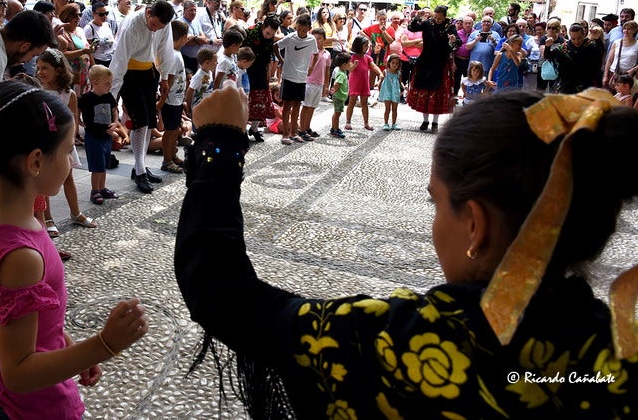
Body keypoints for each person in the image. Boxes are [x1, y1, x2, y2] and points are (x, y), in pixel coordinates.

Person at [175, 83, 638, 419]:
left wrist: (220, 144)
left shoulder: (411, 340)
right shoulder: (615, 353)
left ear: (475, 225)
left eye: (436, 202)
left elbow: (225, 296)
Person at [0, 81, 147, 419]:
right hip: (25, 409)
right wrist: (103, 345)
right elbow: (18, 372)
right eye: (66, 151)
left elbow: (22, 322)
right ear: (34, 162)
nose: (71, 161)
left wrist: (69, 347)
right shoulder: (20, 257)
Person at [110, 1, 176, 194]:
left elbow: (165, 49)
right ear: (148, 13)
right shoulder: (131, 25)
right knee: (139, 122)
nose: (156, 29)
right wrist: (113, 94)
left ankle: (141, 165)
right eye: (154, 25)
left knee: (149, 121)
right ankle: (139, 171)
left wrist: (164, 76)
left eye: (160, 27)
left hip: (149, 71)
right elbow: (119, 60)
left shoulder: (164, 24)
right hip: (129, 73)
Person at [34, 49, 98, 230]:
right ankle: (48, 217)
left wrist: (67, 142)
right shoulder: (37, 91)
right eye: (38, 68)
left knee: (68, 177)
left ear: (59, 70)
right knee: (42, 181)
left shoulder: (68, 95)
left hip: (62, 142)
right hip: (44, 143)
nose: (40, 72)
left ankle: (76, 212)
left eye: (45, 68)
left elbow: (72, 121)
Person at [407, 5, 459, 133]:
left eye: (440, 18)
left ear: (445, 16)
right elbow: (412, 28)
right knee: (424, 90)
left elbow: (458, 41)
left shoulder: (450, 26)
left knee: (437, 93)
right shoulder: (427, 23)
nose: (437, 20)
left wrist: (453, 40)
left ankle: (435, 123)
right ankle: (425, 121)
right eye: (435, 17)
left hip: (441, 63)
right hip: (425, 61)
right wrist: (417, 17)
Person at [274, 14, 318, 144]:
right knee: (286, 106)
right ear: (296, 27)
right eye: (299, 29)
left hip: (302, 77)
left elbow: (316, 54)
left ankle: (294, 132)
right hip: (288, 76)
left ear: (309, 28)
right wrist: (281, 60)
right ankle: (285, 134)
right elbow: (276, 46)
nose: (301, 32)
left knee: (297, 106)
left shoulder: (311, 40)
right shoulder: (290, 37)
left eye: (304, 30)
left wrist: (311, 67)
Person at [78, 65, 120, 202]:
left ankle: (102, 188)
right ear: (95, 83)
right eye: (107, 83)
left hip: (106, 136)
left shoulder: (109, 96)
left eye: (110, 82)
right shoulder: (86, 98)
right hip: (93, 136)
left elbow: (115, 110)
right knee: (97, 166)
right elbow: (76, 109)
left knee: (104, 164)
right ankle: (95, 190)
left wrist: (115, 123)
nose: (110, 86)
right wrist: (78, 121)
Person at [158, 21, 190, 174]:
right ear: (183, 38)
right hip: (170, 100)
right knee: (170, 131)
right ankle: (167, 160)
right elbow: (168, 80)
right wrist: (162, 100)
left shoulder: (176, 53)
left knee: (174, 129)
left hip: (176, 99)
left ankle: (172, 155)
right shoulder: (173, 55)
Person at [244, 15, 281, 142]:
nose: (269, 36)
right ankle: (243, 129)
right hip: (247, 69)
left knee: (261, 100)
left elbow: (269, 54)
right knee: (247, 99)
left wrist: (268, 72)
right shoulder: (250, 32)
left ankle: (254, 128)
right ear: (263, 27)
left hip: (261, 69)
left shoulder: (270, 37)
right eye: (267, 33)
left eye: (272, 34)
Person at [299, 28, 330, 139]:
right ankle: (302, 129)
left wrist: (326, 85)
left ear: (324, 40)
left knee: (312, 107)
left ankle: (307, 127)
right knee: (306, 106)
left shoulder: (327, 53)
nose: (317, 41)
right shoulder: (309, 52)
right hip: (309, 82)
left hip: (319, 83)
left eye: (319, 39)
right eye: (315, 39)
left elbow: (327, 70)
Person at [345, 36, 381, 131]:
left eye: (367, 45)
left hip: (364, 82)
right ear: (359, 46)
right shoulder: (352, 57)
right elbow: (350, 69)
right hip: (355, 82)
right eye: (365, 45)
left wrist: (380, 73)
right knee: (352, 101)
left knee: (364, 102)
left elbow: (374, 66)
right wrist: (354, 65)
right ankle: (348, 121)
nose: (367, 47)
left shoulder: (368, 58)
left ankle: (366, 122)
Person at [82, 2, 116, 67]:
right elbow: (88, 50)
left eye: (106, 13)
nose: (105, 16)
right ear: (93, 14)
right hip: (98, 61)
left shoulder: (107, 25)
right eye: (101, 14)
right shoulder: (89, 28)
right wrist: (94, 66)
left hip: (110, 60)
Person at [185, 48, 217, 116]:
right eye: (215, 61)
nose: (217, 63)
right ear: (207, 62)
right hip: (198, 108)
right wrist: (188, 108)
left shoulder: (210, 73)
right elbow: (189, 91)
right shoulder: (198, 76)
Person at [379, 54, 404, 130]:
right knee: (387, 108)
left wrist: (404, 87)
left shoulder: (398, 73)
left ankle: (394, 123)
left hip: (395, 92)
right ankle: (386, 123)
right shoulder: (385, 72)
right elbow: (381, 80)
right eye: (393, 63)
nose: (394, 65)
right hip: (387, 92)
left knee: (395, 108)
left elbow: (400, 82)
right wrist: (378, 84)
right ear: (389, 63)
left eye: (396, 63)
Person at [329, 52, 351, 138]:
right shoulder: (341, 74)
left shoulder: (342, 71)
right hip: (339, 96)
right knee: (337, 113)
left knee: (337, 113)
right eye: (349, 63)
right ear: (345, 64)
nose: (350, 64)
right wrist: (334, 90)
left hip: (340, 96)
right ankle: (335, 128)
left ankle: (334, 127)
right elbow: (337, 83)